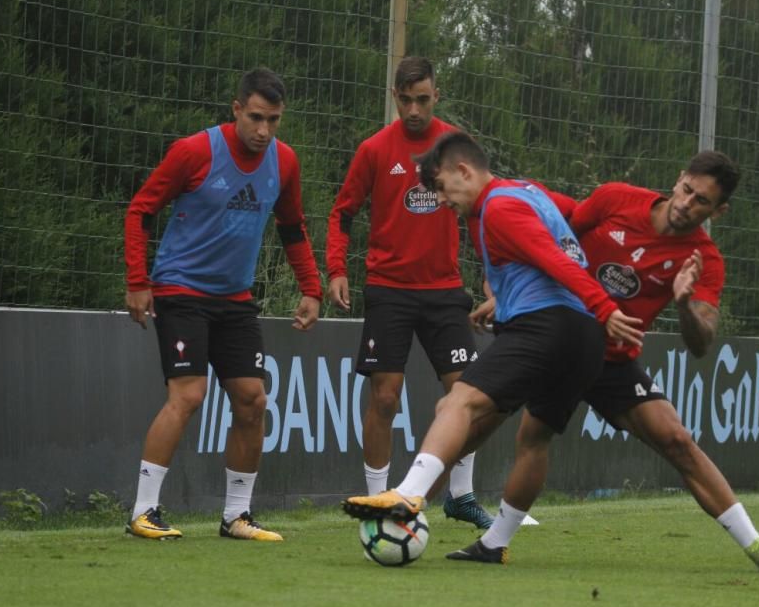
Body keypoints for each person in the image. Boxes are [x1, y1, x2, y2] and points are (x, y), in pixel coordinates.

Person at [469, 150, 759, 572]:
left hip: (612, 358)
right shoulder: (614, 200)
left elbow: (702, 343)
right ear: (678, 178)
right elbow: (548, 246)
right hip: (562, 338)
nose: (686, 203)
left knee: (677, 440)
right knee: (514, 431)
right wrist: (504, 296)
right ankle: (473, 533)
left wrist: (683, 303)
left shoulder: (705, 260)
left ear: (719, 211)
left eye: (701, 201)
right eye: (687, 190)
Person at [341, 132, 645, 563]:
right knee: (532, 437)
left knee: (457, 404)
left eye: (444, 189)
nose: (443, 202)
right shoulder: (530, 191)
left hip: (548, 325)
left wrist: (605, 304)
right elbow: (576, 224)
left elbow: (552, 259)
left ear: (464, 171)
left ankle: (406, 496)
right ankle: (494, 543)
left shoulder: (498, 208)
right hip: (583, 335)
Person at [123, 67, 322, 541]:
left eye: (273, 120)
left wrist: (311, 288)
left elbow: (292, 228)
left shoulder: (285, 162)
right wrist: (137, 280)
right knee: (189, 395)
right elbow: (140, 210)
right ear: (236, 109)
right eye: (255, 117)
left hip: (235, 299)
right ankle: (142, 511)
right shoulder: (193, 151)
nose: (263, 130)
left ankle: (236, 516)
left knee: (253, 401)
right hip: (181, 291)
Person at [326, 57, 500, 528]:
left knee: (470, 396)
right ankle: (376, 504)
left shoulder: (456, 146)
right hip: (389, 290)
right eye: (406, 100)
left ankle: (460, 496)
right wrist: (336, 269)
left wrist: (493, 278)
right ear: (394, 97)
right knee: (385, 398)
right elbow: (343, 213)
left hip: (445, 292)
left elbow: (482, 212)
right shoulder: (375, 150)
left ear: (435, 96)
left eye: (423, 99)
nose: (414, 109)